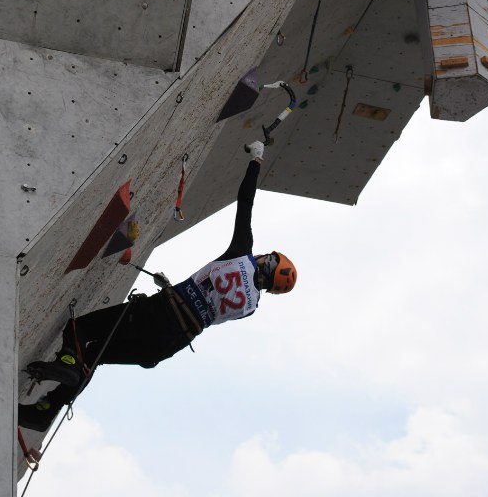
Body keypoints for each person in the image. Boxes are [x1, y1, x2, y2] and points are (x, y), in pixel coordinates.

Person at [19, 143, 296, 432]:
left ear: (268, 263)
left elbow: (245, 203)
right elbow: (211, 301)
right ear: (272, 289)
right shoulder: (250, 308)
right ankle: (43, 412)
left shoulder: (242, 252)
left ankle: (66, 362)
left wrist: (256, 159)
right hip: (167, 344)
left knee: (79, 330)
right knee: (92, 357)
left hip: (159, 312)